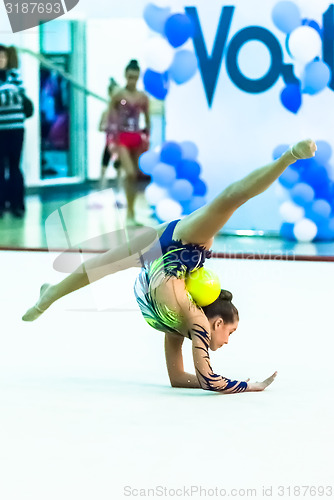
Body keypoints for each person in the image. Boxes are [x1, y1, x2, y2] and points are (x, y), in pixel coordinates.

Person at [22, 139, 317, 393]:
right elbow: (209, 381)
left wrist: (218, 382)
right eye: (231, 331)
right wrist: (249, 385)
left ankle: (51, 293)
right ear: (215, 323)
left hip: (166, 251)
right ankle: (289, 155)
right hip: (186, 242)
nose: (228, 340)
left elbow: (178, 379)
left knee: (100, 265)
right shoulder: (196, 322)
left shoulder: (179, 325)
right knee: (231, 198)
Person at [109, 60, 151, 225]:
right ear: (125, 76)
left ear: (138, 77)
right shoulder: (118, 95)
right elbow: (111, 117)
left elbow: (147, 120)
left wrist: (147, 138)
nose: (132, 80)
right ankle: (129, 213)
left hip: (136, 137)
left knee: (135, 177)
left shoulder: (142, 97)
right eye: (129, 77)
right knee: (130, 173)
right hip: (122, 138)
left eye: (135, 77)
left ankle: (132, 212)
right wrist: (111, 139)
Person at [0, 45, 30, 218]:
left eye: (2, 57)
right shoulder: (12, 80)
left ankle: (17, 204)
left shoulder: (14, 75)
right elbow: (11, 95)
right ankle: (1, 204)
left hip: (16, 128)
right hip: (1, 129)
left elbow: (20, 95)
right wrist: (9, 92)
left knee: (14, 167)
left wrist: (6, 94)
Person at [98, 78, 122, 191]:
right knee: (103, 169)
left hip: (119, 145)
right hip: (109, 145)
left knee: (119, 170)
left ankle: (119, 193)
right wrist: (107, 127)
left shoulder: (122, 112)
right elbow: (100, 127)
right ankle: (101, 192)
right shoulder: (106, 112)